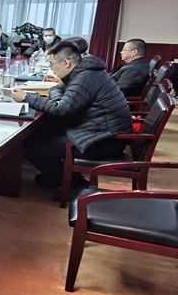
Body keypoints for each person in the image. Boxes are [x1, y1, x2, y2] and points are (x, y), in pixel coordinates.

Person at [10, 41, 133, 190]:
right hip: (98, 131)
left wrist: (27, 97)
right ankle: (59, 177)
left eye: (52, 64)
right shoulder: (84, 71)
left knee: (33, 149)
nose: (52, 69)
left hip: (103, 141)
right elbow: (57, 89)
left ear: (66, 63)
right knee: (36, 133)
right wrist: (58, 101)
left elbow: (61, 110)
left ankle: (73, 183)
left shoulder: (85, 78)